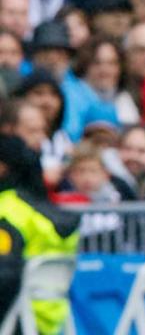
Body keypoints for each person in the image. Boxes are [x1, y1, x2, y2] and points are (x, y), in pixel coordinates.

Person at [0, 134, 80, 333]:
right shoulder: (49, 211)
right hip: (51, 315)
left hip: (16, 315)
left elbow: (3, 274)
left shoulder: (7, 211)